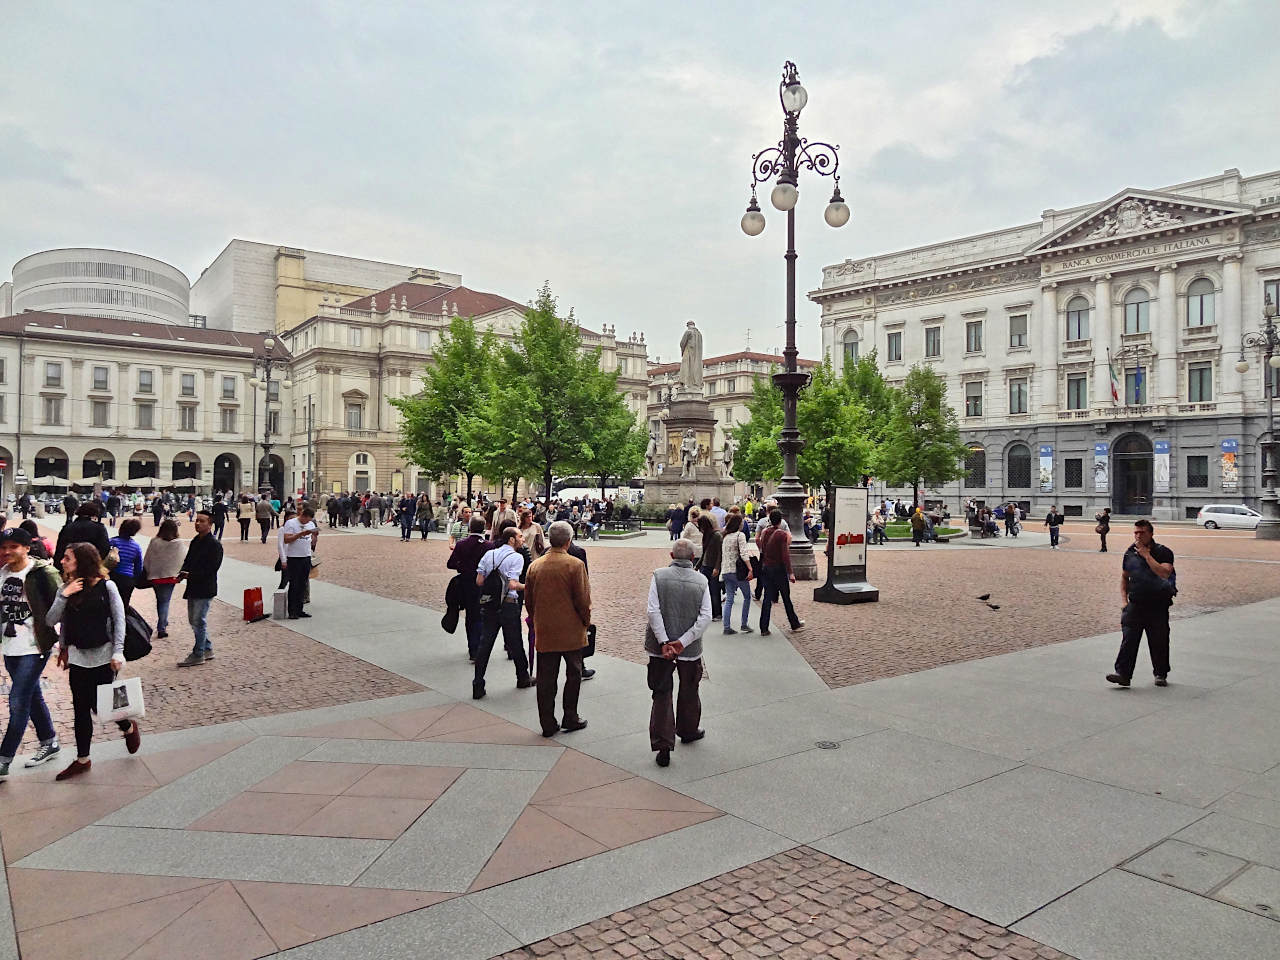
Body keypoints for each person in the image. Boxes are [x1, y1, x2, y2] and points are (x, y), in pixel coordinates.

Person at [47, 542, 139, 779]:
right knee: (80, 708)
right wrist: (63, 595)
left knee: (102, 706)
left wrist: (118, 652)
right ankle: (83, 759)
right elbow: (50, 620)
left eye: (67, 558)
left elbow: (120, 620)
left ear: (81, 561)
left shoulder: (107, 586)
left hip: (104, 656)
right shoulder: (67, 587)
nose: (62, 562)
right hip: (78, 657)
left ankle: (127, 726)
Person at [0, 527, 63, 778]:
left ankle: (4, 758)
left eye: (13, 546)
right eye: (3, 547)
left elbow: (61, 607)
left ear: (27, 547)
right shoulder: (2, 574)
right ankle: (49, 741)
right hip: (9, 646)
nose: (7, 552)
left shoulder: (42, 573)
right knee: (32, 695)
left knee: (18, 701)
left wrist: (62, 643)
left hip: (34, 646)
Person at [645, 538, 711, 768]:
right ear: (693, 559)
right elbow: (705, 617)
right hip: (689, 649)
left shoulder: (658, 576)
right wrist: (683, 642)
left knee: (662, 693)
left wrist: (664, 641)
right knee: (690, 688)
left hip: (659, 649)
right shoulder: (701, 581)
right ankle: (688, 729)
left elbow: (652, 611)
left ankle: (663, 744)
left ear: (672, 556)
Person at [524, 520, 591, 736]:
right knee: (574, 674)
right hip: (571, 630)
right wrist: (585, 621)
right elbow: (583, 600)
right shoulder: (575, 565)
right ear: (569, 540)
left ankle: (547, 723)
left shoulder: (535, 565)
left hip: (545, 629)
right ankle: (570, 716)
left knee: (545, 678)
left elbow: (529, 600)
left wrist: (536, 620)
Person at [1107, 519, 1176, 688]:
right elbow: (1124, 577)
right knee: (1129, 639)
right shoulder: (1129, 552)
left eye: (1142, 532)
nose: (1138, 536)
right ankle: (1123, 674)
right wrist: (1124, 601)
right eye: (1136, 532)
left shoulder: (1163, 552)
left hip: (1157, 605)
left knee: (1159, 640)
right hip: (1135, 605)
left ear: (1151, 534)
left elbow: (1165, 573)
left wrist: (1147, 555)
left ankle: (1160, 673)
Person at [473, 525, 532, 699]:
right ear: (511, 539)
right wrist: (528, 586)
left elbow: (479, 580)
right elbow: (513, 584)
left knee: (485, 645)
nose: (522, 539)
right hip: (508, 604)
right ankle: (522, 677)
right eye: (520, 536)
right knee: (515, 642)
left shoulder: (489, 554)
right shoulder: (516, 557)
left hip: (489, 605)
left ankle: (478, 683)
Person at [176, 511, 223, 667]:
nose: (198, 523)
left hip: (205, 587)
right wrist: (183, 572)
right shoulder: (196, 540)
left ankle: (198, 653)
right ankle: (207, 648)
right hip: (193, 586)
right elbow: (188, 560)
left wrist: (191, 574)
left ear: (210, 524)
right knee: (194, 620)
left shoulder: (215, 545)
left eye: (202, 521)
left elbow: (211, 569)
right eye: (197, 520)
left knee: (199, 620)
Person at [448, 515, 490, 661]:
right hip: (482, 584)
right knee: (479, 616)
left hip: (465, 583)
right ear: (483, 528)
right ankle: (478, 647)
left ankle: (472, 648)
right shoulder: (488, 545)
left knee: (470, 616)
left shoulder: (461, 544)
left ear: (470, 528)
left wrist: (463, 566)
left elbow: (451, 564)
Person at [757, 509, 805, 636]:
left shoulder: (764, 532)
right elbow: (785, 555)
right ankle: (794, 623)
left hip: (766, 567)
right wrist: (790, 572)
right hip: (778, 568)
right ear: (780, 521)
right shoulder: (781, 535)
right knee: (785, 597)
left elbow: (761, 547)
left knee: (767, 597)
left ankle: (764, 627)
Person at [143, 518, 184, 638]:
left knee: (160, 601)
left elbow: (147, 559)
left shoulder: (154, 541)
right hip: (170, 577)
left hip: (155, 577)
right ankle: (162, 626)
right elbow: (183, 559)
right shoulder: (178, 543)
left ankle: (163, 621)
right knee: (165, 601)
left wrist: (148, 571)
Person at [281, 507, 319, 619]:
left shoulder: (311, 524)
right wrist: (301, 534)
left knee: (303, 584)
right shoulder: (291, 523)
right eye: (306, 520)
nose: (308, 522)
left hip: (306, 556)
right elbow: (286, 540)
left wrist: (314, 536)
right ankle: (292, 611)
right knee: (294, 584)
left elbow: (312, 538)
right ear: (303, 516)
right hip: (294, 557)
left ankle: (300, 609)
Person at [720, 513, 753, 635]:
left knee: (729, 599)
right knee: (747, 596)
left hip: (726, 570)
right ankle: (744, 624)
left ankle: (726, 626)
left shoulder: (725, 536)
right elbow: (744, 554)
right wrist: (750, 568)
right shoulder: (740, 535)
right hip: (737, 571)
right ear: (739, 524)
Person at [55, 501, 111, 565]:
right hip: (90, 565)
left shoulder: (67, 527)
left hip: (69, 564)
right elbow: (105, 548)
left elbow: (60, 549)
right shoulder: (99, 528)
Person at [108, 518, 144, 608]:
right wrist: (135, 579)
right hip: (128, 579)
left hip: (113, 575)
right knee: (124, 604)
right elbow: (139, 567)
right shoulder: (136, 547)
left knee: (109, 602)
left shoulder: (113, 542)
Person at [696, 512, 723, 621]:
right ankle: (709, 612)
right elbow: (704, 553)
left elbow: (720, 553)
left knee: (714, 591)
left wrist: (717, 567)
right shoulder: (706, 536)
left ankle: (717, 613)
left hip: (713, 567)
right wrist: (697, 566)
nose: (700, 529)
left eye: (701, 526)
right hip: (705, 566)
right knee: (706, 591)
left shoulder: (716, 535)